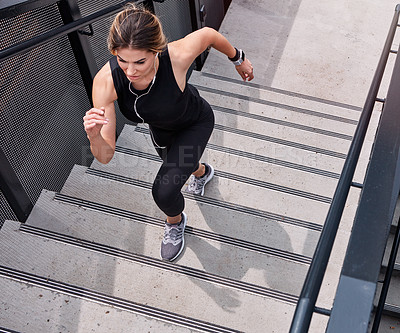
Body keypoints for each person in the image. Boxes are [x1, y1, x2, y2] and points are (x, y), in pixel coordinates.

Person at [83, 3, 254, 262]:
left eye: (140, 61)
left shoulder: (176, 56)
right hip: (162, 131)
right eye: (122, 60)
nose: (130, 71)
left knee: (164, 191)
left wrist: (238, 59)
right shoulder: (106, 82)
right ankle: (203, 172)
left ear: (156, 50)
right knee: (178, 165)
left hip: (194, 122)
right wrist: (95, 136)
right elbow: (105, 157)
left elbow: (208, 34)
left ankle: (175, 222)